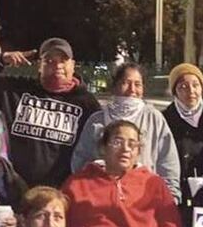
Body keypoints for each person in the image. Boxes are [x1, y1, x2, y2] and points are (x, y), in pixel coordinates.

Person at [0, 37, 101, 187]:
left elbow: (96, 149)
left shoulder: (87, 103)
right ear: (39, 66)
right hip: (14, 187)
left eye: (63, 60)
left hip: (60, 193)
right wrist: (0, 60)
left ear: (73, 65)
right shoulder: (15, 91)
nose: (57, 65)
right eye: (49, 61)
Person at [70, 62, 182, 202]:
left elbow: (168, 161)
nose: (132, 90)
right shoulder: (97, 120)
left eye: (138, 84)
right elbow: (80, 160)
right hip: (101, 198)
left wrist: (170, 197)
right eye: (126, 83)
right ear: (115, 86)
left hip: (144, 198)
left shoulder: (154, 118)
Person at [162, 63, 203, 205]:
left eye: (195, 85)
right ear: (175, 91)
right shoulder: (165, 119)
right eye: (183, 86)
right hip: (176, 191)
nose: (191, 91)